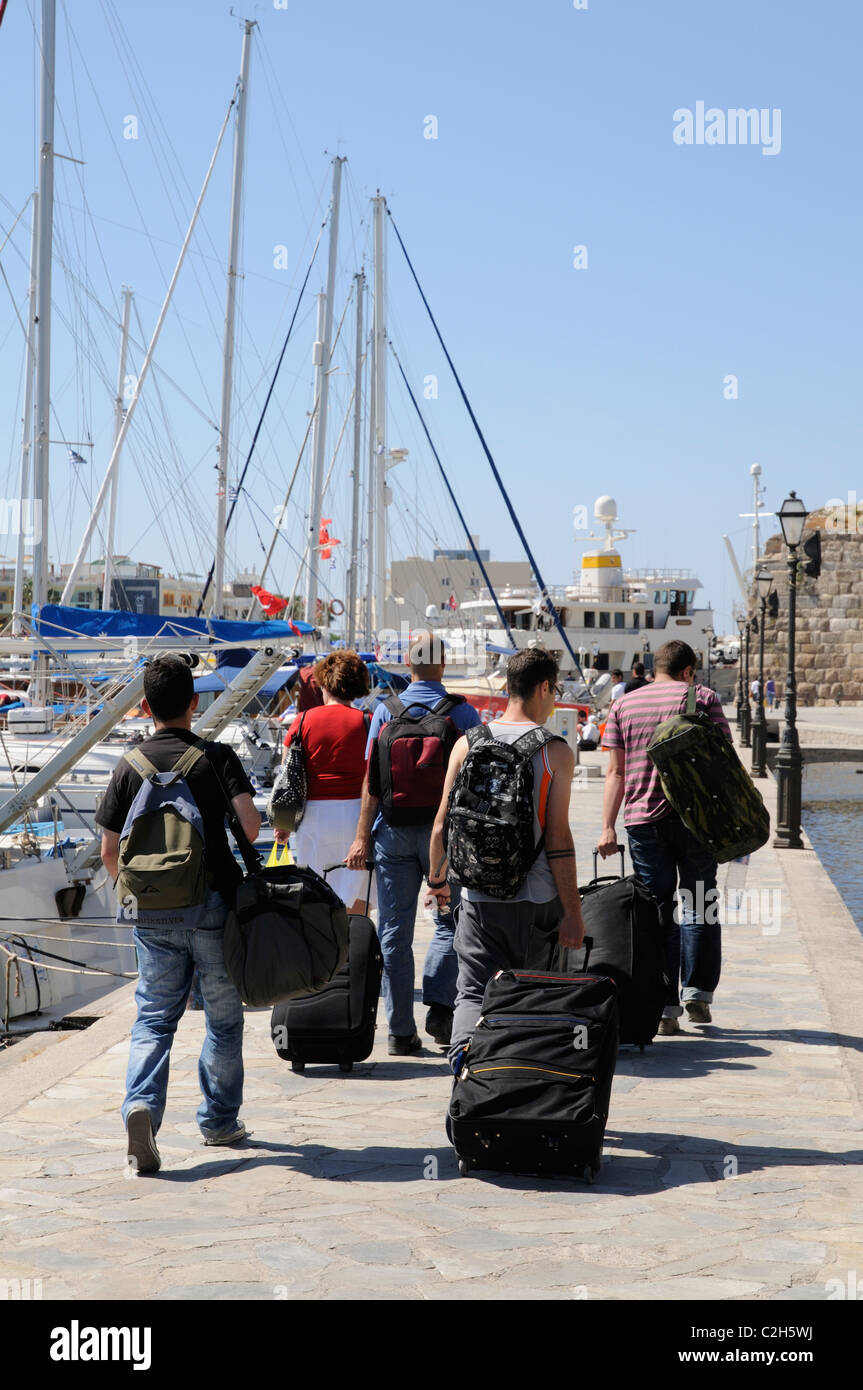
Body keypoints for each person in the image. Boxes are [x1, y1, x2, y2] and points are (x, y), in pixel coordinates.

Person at [96, 655, 261, 1173]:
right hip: (211, 907)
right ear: (195, 703)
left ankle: (141, 1106)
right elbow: (252, 828)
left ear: (145, 707)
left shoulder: (128, 764)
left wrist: (134, 903)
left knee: (153, 1019)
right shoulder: (217, 757)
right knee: (223, 1021)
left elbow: (107, 851)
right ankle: (218, 1121)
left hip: (150, 913)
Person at [428, 646, 585, 1062]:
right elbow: (558, 839)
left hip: (476, 896)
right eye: (556, 690)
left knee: (473, 992)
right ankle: (524, 1073)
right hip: (536, 901)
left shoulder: (468, 743)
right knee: (535, 991)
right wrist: (573, 910)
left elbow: (442, 825)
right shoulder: (555, 753)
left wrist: (438, 882)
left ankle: (466, 1057)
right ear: (544, 687)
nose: (556, 699)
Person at [346, 632, 481, 1054]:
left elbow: (372, 780)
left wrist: (361, 837)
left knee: (394, 932)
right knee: (450, 922)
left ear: (408, 664)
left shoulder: (386, 711)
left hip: (394, 834)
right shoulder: (463, 713)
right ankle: (441, 1008)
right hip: (447, 834)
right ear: (444, 664)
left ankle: (400, 1031)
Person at [599, 639, 731, 1034]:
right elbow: (724, 761)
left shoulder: (622, 704)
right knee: (700, 903)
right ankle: (697, 994)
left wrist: (607, 825)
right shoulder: (703, 698)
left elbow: (615, 773)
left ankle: (664, 1008)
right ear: (688, 670)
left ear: (655, 668)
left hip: (642, 820)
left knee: (657, 912)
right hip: (696, 820)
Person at [276, 651, 372, 913]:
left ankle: (323, 951)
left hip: (314, 817)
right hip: (357, 815)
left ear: (324, 683)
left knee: (315, 900)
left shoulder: (303, 720)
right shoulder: (367, 722)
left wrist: (283, 823)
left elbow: (287, 778)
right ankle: (356, 950)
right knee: (358, 900)